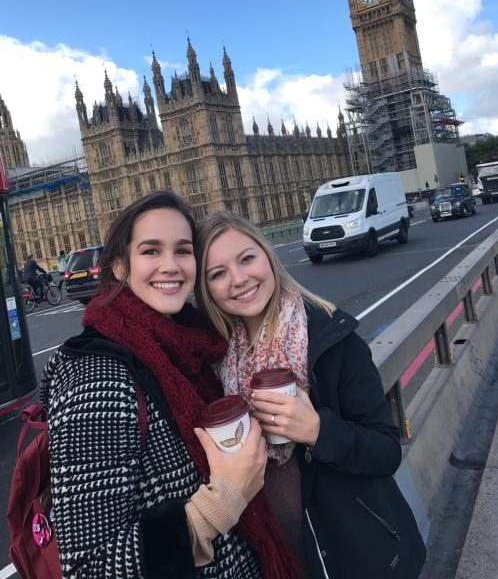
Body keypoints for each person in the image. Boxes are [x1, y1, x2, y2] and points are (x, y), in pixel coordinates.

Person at [40, 192, 302, 579]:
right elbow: (88, 567)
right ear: (117, 266)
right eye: (150, 251)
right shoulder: (95, 379)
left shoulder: (191, 349)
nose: (171, 266)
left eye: (182, 251)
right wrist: (220, 504)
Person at [195, 211, 426, 579]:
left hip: (352, 557)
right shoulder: (210, 361)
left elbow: (385, 451)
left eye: (247, 258)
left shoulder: (332, 342)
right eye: (217, 274)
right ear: (205, 289)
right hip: (269, 558)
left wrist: (319, 431)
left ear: (267, 257)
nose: (239, 279)